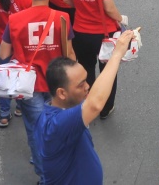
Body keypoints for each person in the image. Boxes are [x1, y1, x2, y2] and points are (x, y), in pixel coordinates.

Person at [34, 31, 138, 185]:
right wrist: (116, 54)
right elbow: (95, 104)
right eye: (81, 84)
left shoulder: (62, 110)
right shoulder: (56, 125)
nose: (88, 86)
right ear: (61, 93)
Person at [2, 0, 73, 177]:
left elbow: (4, 53)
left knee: (35, 129)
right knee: (56, 127)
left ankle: (43, 174)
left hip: (28, 85)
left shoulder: (15, 20)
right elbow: (70, 55)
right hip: (56, 83)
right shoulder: (63, 18)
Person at [64, 0, 124, 121]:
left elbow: (67, 0)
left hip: (81, 32)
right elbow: (109, 8)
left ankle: (88, 105)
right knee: (108, 71)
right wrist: (121, 19)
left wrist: (83, 5)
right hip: (103, 34)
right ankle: (106, 108)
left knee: (86, 70)